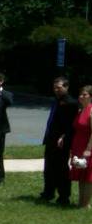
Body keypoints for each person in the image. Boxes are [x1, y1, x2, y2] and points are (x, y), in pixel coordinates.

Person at [40, 77, 77, 205]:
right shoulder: (56, 100)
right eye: (54, 87)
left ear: (66, 87)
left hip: (61, 141)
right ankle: (48, 192)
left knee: (61, 169)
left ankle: (64, 196)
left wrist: (64, 136)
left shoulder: (71, 103)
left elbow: (72, 125)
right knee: (49, 167)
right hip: (51, 139)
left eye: (59, 87)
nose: (56, 90)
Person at [69, 85, 92, 209]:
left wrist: (88, 149)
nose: (81, 97)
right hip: (78, 146)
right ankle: (80, 202)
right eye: (80, 94)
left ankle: (86, 204)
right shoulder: (80, 110)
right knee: (81, 175)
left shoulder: (91, 110)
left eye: (85, 94)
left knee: (88, 177)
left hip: (88, 147)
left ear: (90, 97)